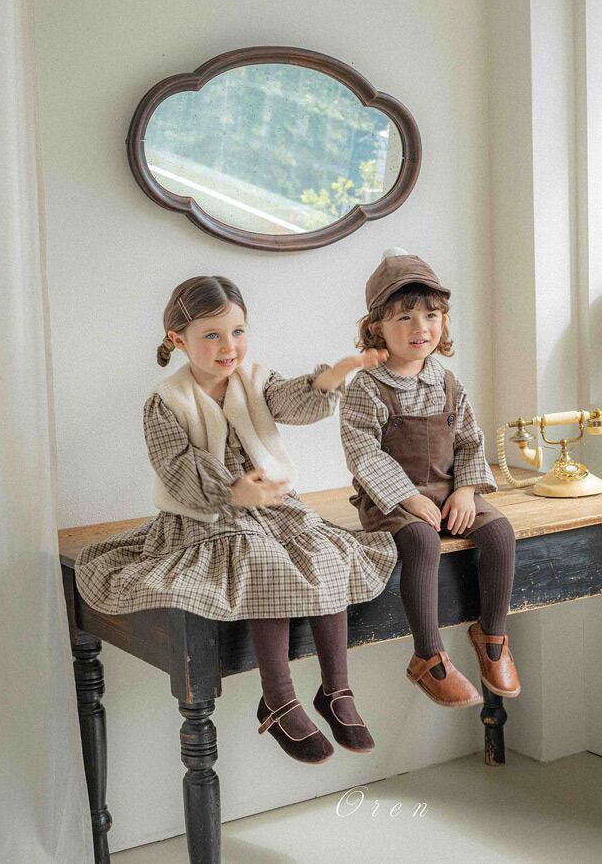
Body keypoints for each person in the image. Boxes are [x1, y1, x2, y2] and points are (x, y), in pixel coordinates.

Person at [74, 275, 397, 765]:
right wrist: (231, 491)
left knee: (326, 554)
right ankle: (278, 698)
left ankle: (336, 689)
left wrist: (333, 376)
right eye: (212, 335)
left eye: (238, 332)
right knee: (262, 560)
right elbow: (176, 466)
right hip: (205, 516)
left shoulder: (255, 379)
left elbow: (289, 399)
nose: (229, 347)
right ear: (178, 339)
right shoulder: (167, 401)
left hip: (272, 505)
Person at [340, 249, 520, 708]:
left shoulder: (448, 382)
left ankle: (492, 636)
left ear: (444, 321)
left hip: (449, 490)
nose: (420, 327)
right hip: (391, 502)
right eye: (405, 317)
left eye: (431, 315)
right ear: (376, 327)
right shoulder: (366, 386)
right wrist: (407, 498)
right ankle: (428, 655)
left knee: (500, 532)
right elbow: (363, 453)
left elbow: (470, 441)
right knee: (422, 541)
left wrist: (465, 491)